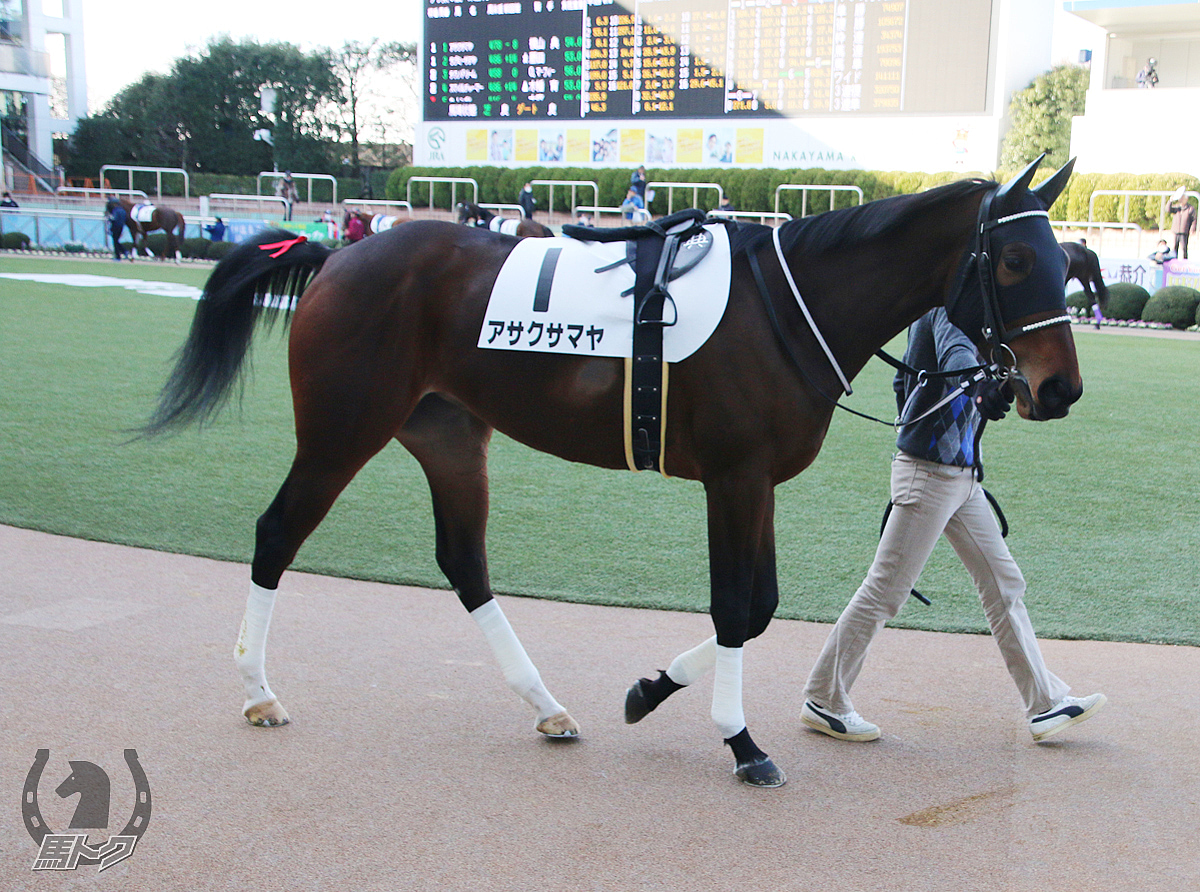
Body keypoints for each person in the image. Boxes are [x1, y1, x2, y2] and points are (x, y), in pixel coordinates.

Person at [801, 308, 1106, 744]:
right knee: (885, 589)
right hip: (929, 477)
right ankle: (824, 699)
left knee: (1004, 584)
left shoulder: (975, 309)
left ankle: (1045, 705)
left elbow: (905, 385)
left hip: (961, 479)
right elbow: (958, 352)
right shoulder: (947, 307)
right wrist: (965, 402)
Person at [1168, 186, 1195, 259]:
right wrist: (1170, 201)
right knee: (1174, 248)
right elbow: (1168, 209)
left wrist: (1192, 229)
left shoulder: (1190, 208)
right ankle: (1174, 261)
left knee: (1184, 248)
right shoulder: (1177, 207)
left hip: (1184, 231)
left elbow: (1193, 219)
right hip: (1176, 231)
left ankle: (1185, 262)